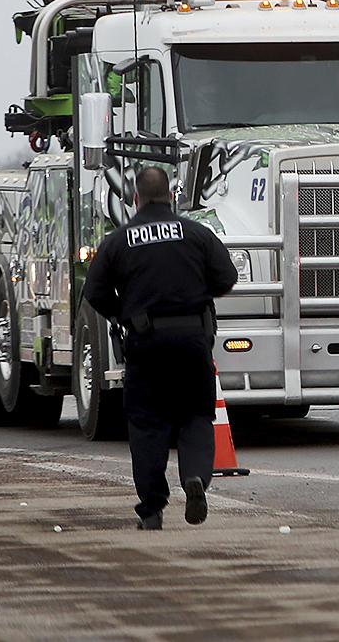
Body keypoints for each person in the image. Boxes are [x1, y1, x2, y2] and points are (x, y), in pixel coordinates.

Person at [80, 166, 238, 530]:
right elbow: (227, 278)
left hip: (145, 341)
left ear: (136, 199)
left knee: (147, 423)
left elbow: (94, 293)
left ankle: (152, 509)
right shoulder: (196, 233)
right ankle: (195, 477)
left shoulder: (118, 241)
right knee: (196, 416)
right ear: (171, 197)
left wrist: (126, 316)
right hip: (193, 340)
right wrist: (194, 298)